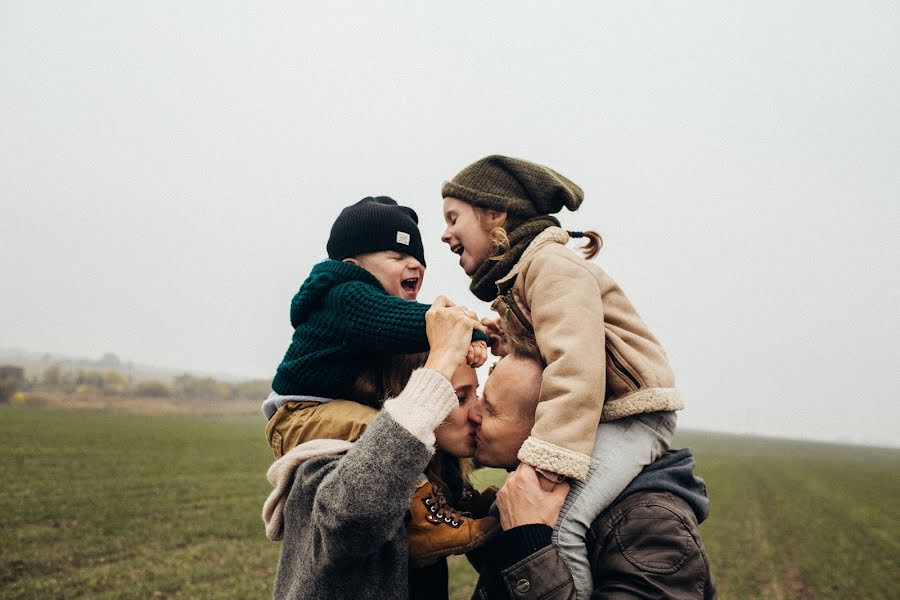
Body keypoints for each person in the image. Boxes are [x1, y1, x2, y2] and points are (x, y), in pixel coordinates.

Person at [441, 155, 684, 598]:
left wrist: (547, 462)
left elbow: (576, 367)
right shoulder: (524, 276)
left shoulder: (551, 267)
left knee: (558, 522)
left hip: (631, 417)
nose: (445, 233)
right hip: (602, 413)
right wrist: (497, 341)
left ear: (495, 214)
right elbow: (548, 350)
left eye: (454, 217)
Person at [263, 196, 496, 571]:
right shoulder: (345, 295)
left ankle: (449, 501)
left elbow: (414, 321)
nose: (413, 265)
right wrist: (469, 327)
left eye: (418, 260)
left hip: (325, 409)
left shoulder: (367, 312)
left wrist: (471, 329)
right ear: (354, 265)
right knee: (387, 429)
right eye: (395, 256)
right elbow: (403, 321)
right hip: (301, 414)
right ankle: (425, 524)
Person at [264, 297, 489, 599]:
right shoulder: (323, 469)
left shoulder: (441, 474)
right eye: (458, 398)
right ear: (410, 395)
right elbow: (352, 520)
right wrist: (438, 365)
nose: (477, 413)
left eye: (476, 393)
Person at [468, 351, 717, 599]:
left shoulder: (652, 527)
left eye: (490, 409)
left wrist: (529, 545)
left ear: (554, 428)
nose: (472, 414)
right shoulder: (537, 494)